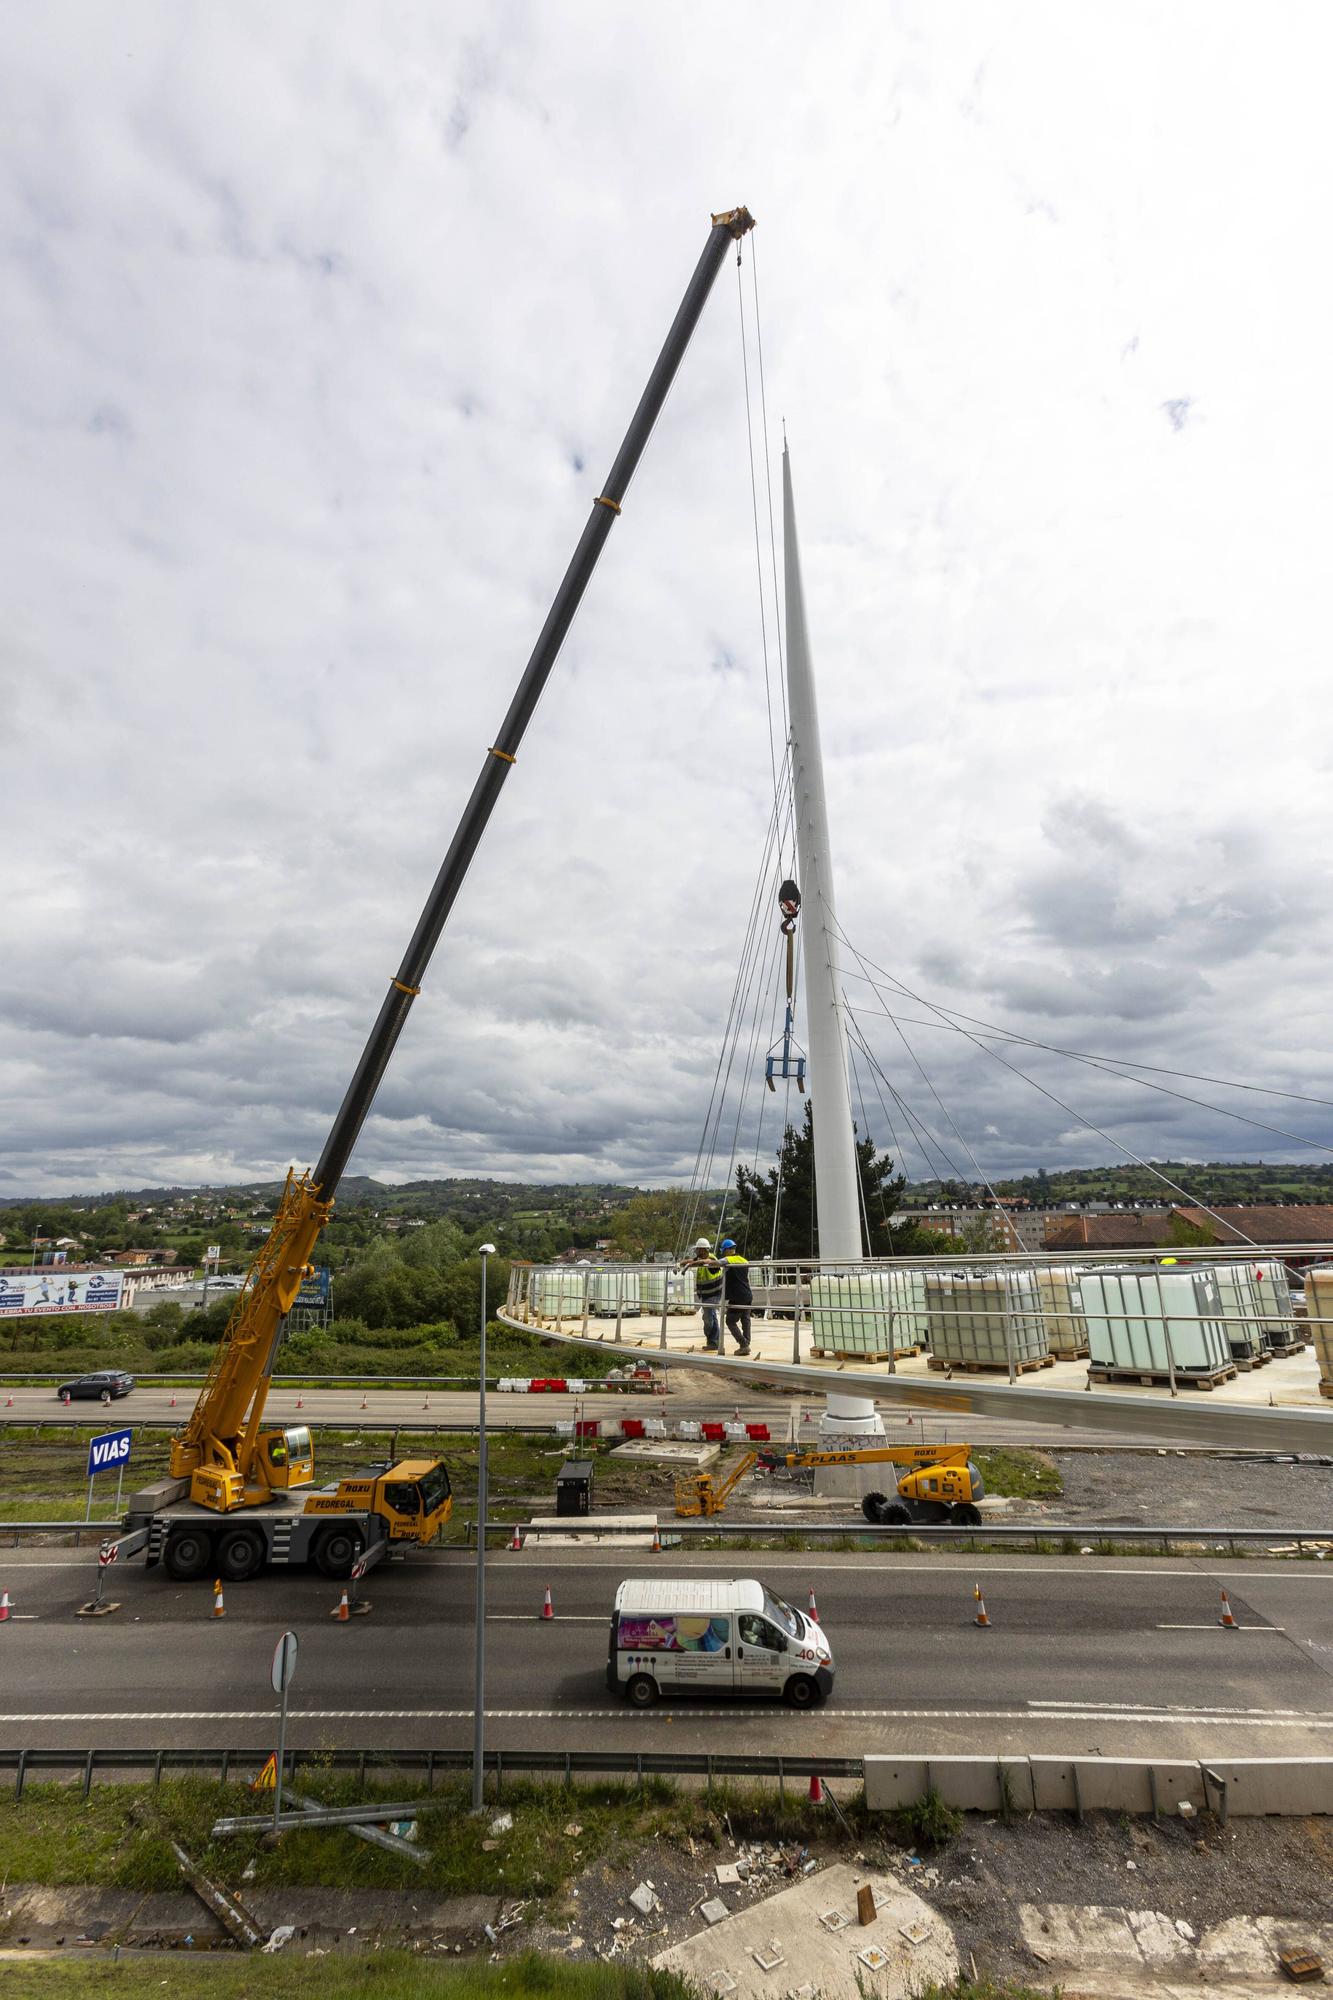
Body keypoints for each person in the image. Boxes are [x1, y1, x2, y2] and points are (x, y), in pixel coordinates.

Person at [681, 1236, 724, 1349]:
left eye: (698, 1249)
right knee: (711, 1317)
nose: (696, 1251)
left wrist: (690, 1265)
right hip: (706, 1294)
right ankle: (713, 1342)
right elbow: (692, 1261)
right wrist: (681, 1263)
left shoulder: (712, 1259)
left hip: (714, 1293)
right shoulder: (699, 1260)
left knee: (708, 1318)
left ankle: (713, 1341)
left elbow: (707, 1262)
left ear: (704, 1250)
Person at [719, 1238, 753, 1354]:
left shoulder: (727, 1259)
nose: (723, 1253)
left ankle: (743, 1344)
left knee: (730, 1321)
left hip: (737, 1296)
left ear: (727, 1250)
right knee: (745, 1319)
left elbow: (716, 1263)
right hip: (747, 1294)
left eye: (723, 1250)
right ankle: (746, 1343)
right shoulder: (744, 1260)